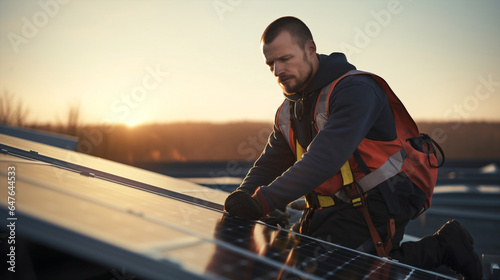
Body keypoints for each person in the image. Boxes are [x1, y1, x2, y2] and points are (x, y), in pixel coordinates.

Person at [224, 16, 482, 280]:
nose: (277, 70)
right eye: (270, 64)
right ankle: (443, 246)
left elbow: (324, 159)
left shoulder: (356, 90)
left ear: (310, 49)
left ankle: (444, 246)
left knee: (341, 272)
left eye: (285, 59)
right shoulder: (289, 110)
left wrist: (262, 202)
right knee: (297, 266)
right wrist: (242, 197)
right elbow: (269, 163)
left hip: (380, 198)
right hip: (330, 205)